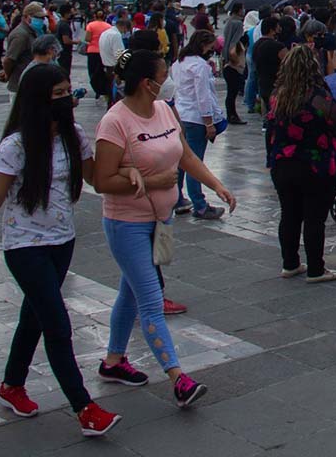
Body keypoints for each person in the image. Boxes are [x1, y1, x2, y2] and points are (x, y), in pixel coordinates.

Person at [0, 65, 123, 437]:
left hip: (63, 241)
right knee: (57, 324)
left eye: (67, 93)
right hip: (25, 247)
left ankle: (11, 385)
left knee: (34, 317)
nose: (65, 100)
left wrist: (133, 164)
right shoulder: (15, 147)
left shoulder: (73, 136)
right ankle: (85, 407)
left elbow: (96, 178)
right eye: (57, 94)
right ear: (38, 100)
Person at [93, 49, 236, 409]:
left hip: (162, 221)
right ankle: (178, 378)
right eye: (163, 74)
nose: (167, 80)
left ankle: (113, 362)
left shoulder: (164, 110)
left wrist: (215, 183)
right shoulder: (115, 122)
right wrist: (154, 179)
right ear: (147, 82)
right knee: (151, 299)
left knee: (131, 292)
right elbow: (101, 180)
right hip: (126, 223)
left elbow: (185, 155)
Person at [267, 44, 336, 283]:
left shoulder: (278, 95)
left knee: (290, 214)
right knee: (314, 218)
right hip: (316, 163)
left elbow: (271, 130)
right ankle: (316, 268)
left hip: (283, 162)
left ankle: (290, 263)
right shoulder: (319, 96)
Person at [171, 30, 228, 220]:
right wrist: (209, 122)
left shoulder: (179, 63)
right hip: (196, 118)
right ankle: (200, 204)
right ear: (203, 45)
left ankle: (178, 198)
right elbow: (202, 96)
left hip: (181, 114)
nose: (212, 51)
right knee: (195, 162)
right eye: (211, 47)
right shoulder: (200, 66)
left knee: (180, 160)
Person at [1, 1, 46, 103]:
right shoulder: (21, 35)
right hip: (21, 84)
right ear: (26, 17)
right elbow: (9, 60)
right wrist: (7, 75)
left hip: (33, 84)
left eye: (43, 18)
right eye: (38, 18)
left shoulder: (33, 32)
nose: (41, 21)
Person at [253, 17, 287, 116]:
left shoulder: (256, 45)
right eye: (278, 27)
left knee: (268, 109)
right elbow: (288, 62)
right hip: (276, 83)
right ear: (272, 30)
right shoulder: (277, 46)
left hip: (262, 81)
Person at [98, 14, 132, 107]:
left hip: (106, 65)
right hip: (114, 68)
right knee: (115, 97)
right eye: (126, 30)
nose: (125, 33)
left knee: (110, 95)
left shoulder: (105, 33)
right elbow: (120, 55)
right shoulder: (116, 35)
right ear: (124, 27)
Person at [56, 3, 75, 76]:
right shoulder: (64, 25)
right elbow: (66, 41)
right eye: (70, 12)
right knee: (65, 72)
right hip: (65, 53)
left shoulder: (60, 23)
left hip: (61, 52)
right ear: (66, 13)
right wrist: (77, 42)